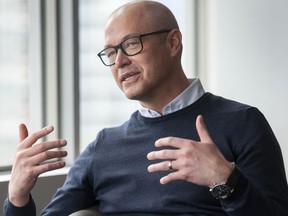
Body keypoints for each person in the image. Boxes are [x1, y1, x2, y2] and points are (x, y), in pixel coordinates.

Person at [3, 0, 288, 215]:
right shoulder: (104, 146)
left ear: (173, 42)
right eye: (111, 52)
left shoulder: (242, 122)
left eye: (131, 43)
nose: (119, 61)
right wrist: (17, 196)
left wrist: (225, 180)